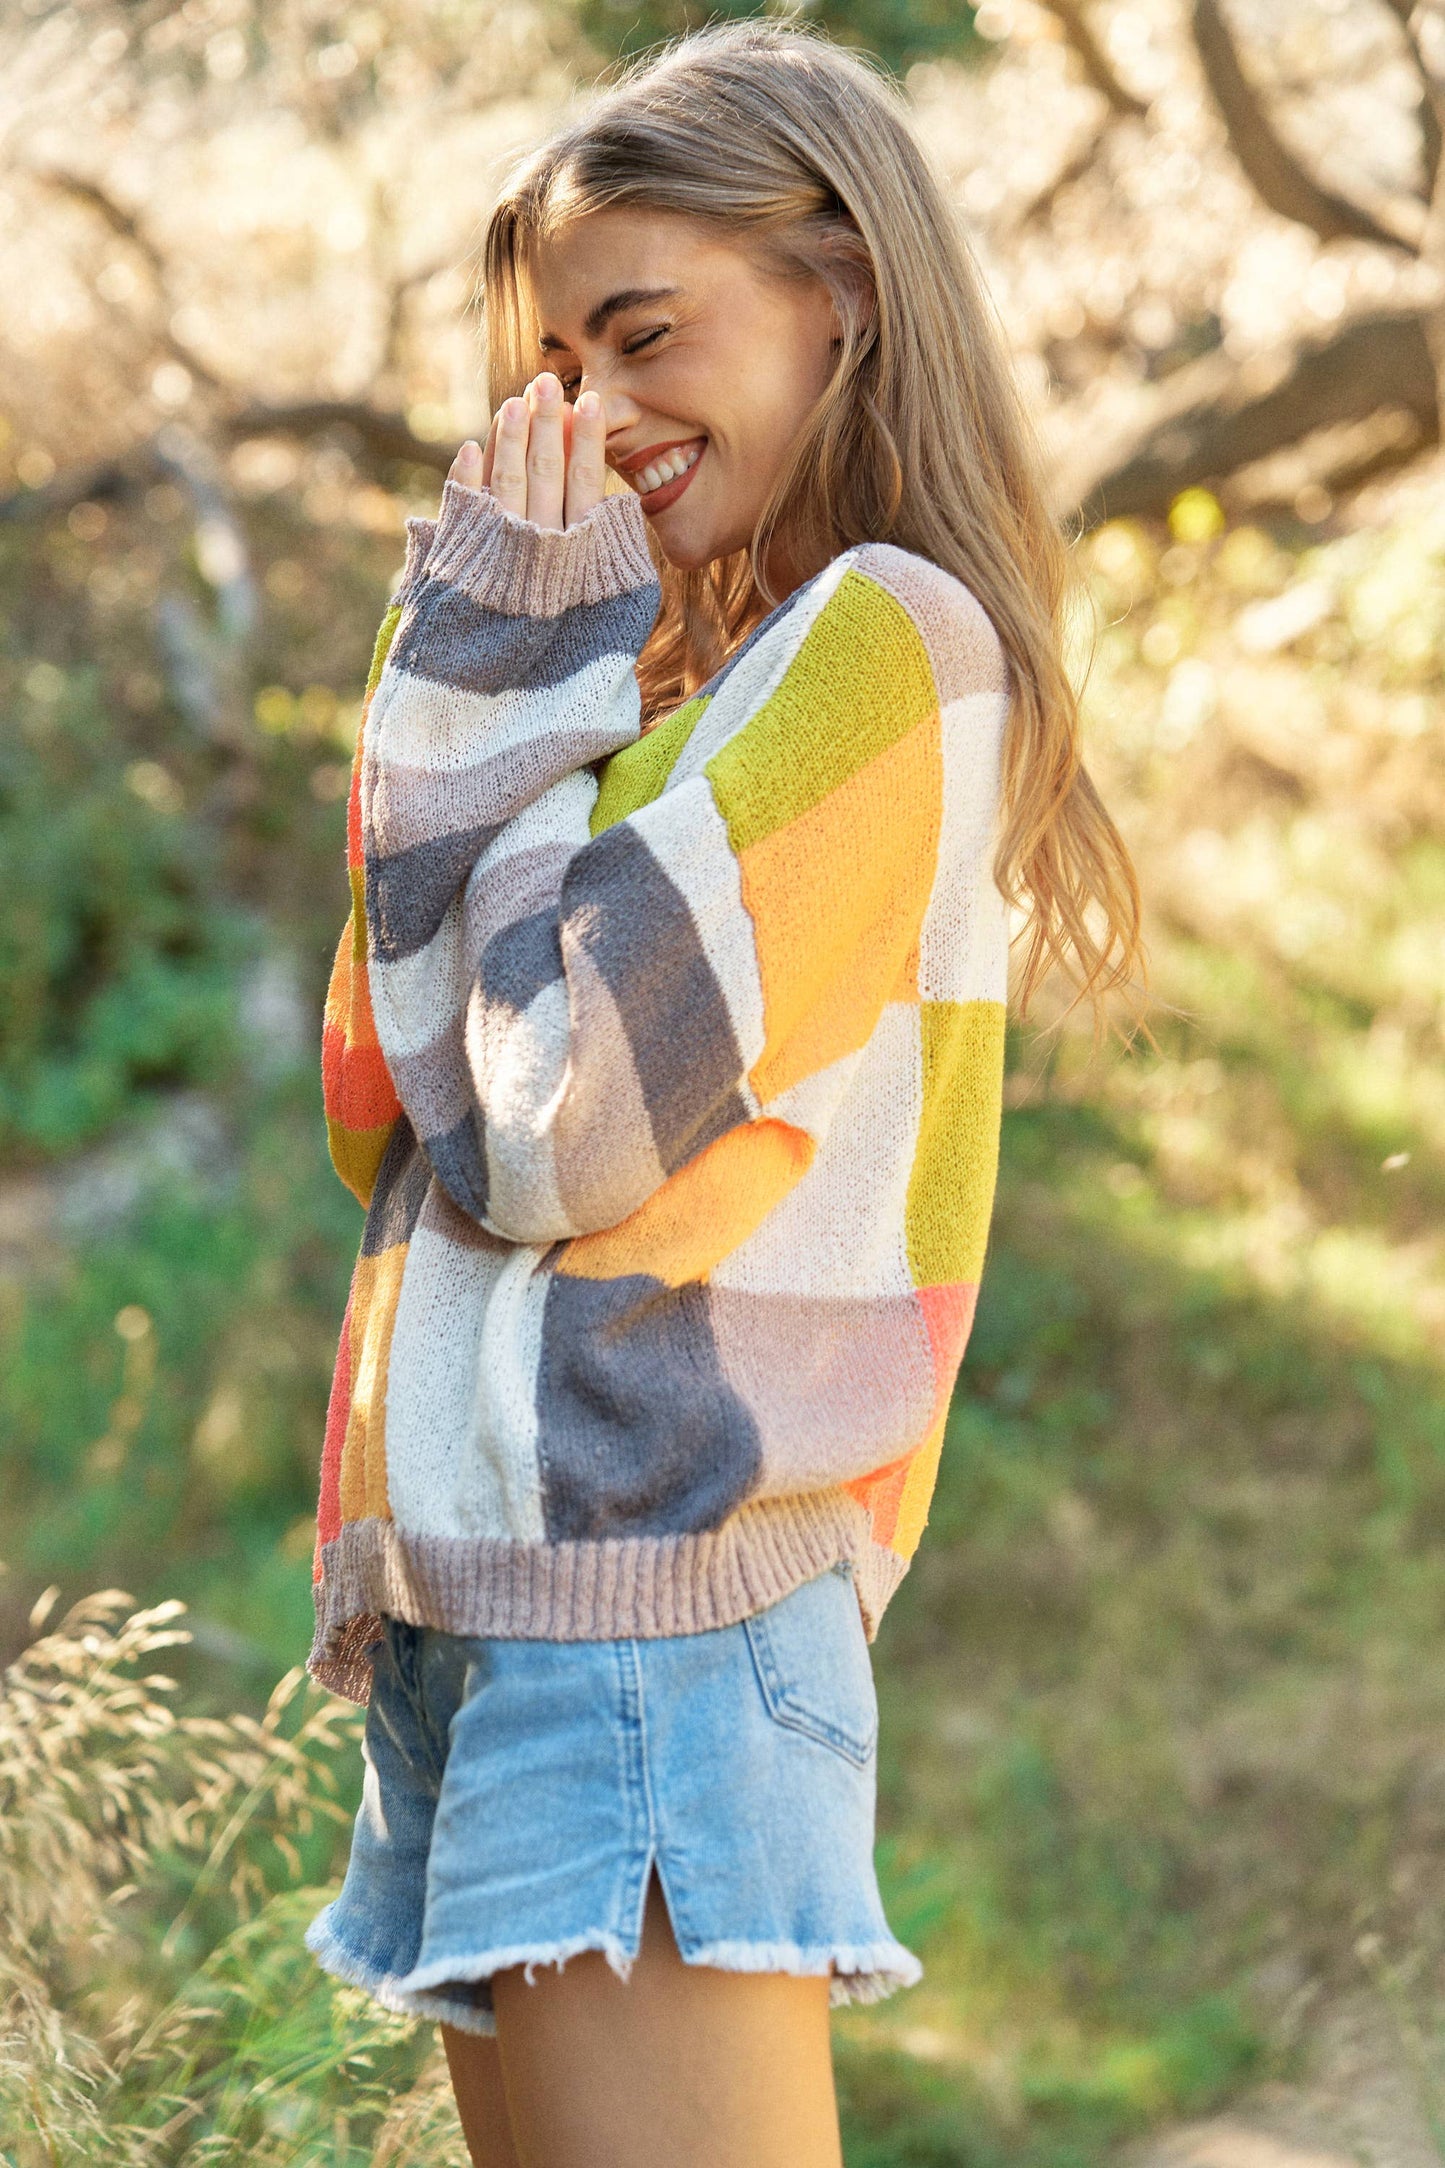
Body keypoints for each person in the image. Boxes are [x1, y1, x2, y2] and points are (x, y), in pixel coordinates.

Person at [303, 21, 1145, 2167]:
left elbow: (550, 1118)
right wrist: (524, 676)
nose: (595, 412)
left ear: (840, 281)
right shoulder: (659, 707)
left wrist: (489, 681)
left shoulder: (890, 646)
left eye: (642, 330)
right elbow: (378, 1094)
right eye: (557, 369)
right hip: (500, 1614)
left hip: (654, 1626)